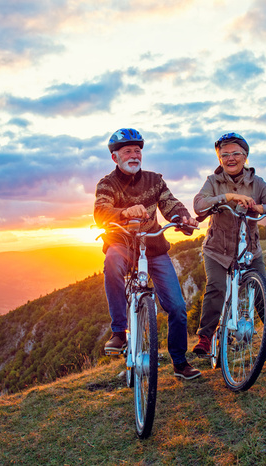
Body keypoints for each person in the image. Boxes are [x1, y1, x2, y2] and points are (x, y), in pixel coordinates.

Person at [94, 128, 201, 380]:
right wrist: (125, 212)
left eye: (138, 151)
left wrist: (183, 217)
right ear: (115, 158)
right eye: (127, 151)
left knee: (176, 306)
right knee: (111, 263)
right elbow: (100, 212)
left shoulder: (155, 180)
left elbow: (170, 203)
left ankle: (179, 362)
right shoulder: (107, 184)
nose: (134, 155)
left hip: (152, 247)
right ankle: (120, 331)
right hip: (121, 243)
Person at [192, 132, 266, 359]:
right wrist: (228, 197)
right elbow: (200, 204)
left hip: (249, 251)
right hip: (217, 251)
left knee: (263, 295)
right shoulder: (213, 181)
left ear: (245, 156)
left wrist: (262, 208)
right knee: (216, 288)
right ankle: (206, 337)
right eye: (224, 155)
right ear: (219, 159)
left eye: (235, 153)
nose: (230, 158)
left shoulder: (257, 183)